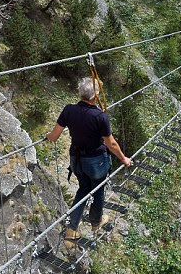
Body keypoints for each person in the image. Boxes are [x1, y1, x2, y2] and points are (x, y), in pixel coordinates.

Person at [45, 77, 132, 248]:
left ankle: (71, 229)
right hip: (95, 162)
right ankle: (96, 223)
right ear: (96, 95)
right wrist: (124, 159)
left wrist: (48, 136)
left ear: (81, 93)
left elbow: (54, 136)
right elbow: (111, 144)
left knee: (84, 189)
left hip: (76, 160)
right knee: (98, 191)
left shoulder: (68, 110)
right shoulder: (100, 117)